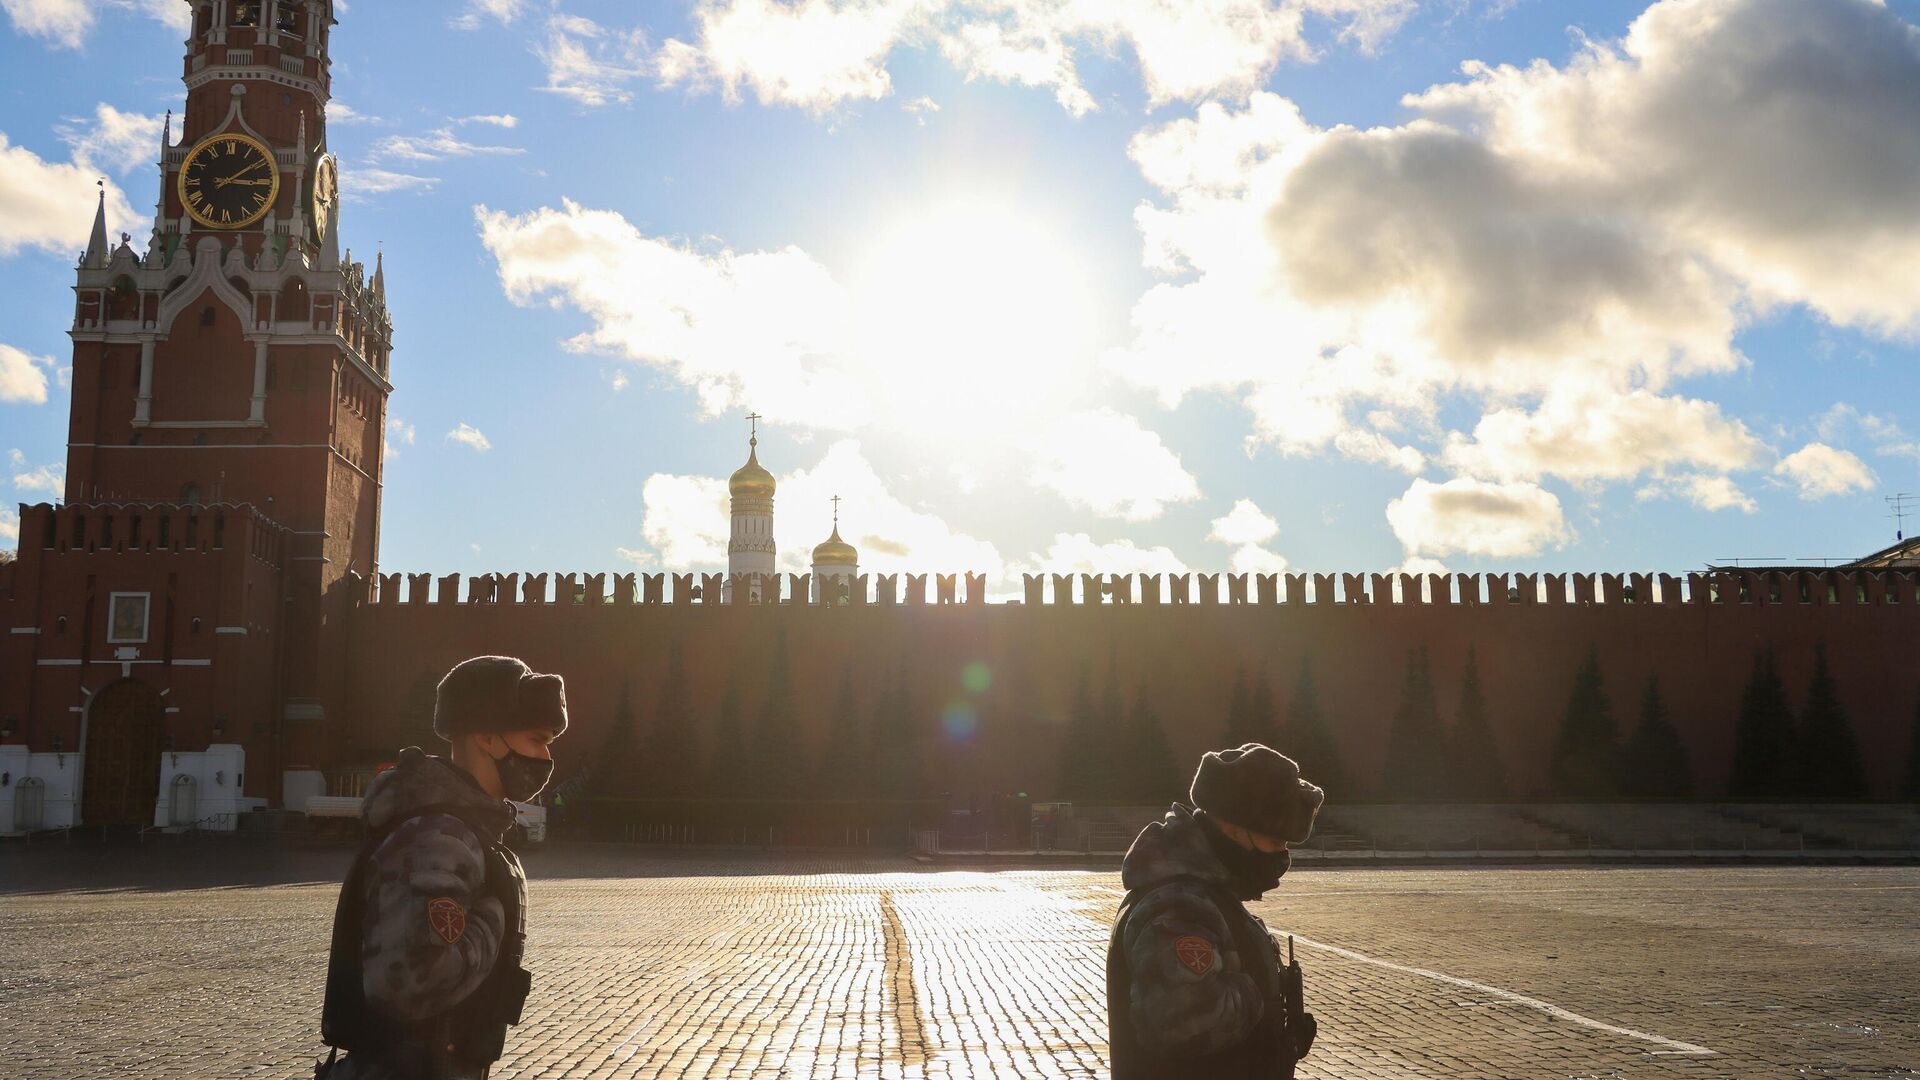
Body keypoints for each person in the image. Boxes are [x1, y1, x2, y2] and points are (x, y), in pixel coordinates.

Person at [318, 655, 568, 1079]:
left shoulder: (465, 827)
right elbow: (410, 984)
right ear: (487, 737)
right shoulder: (437, 835)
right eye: (536, 739)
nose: (545, 756)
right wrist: (493, 919)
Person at [1107, 743, 1325, 1079]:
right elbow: (1186, 1021)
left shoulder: (1204, 893)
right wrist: (1264, 993)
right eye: (1275, 841)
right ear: (1235, 828)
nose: (1282, 855)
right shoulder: (1178, 905)